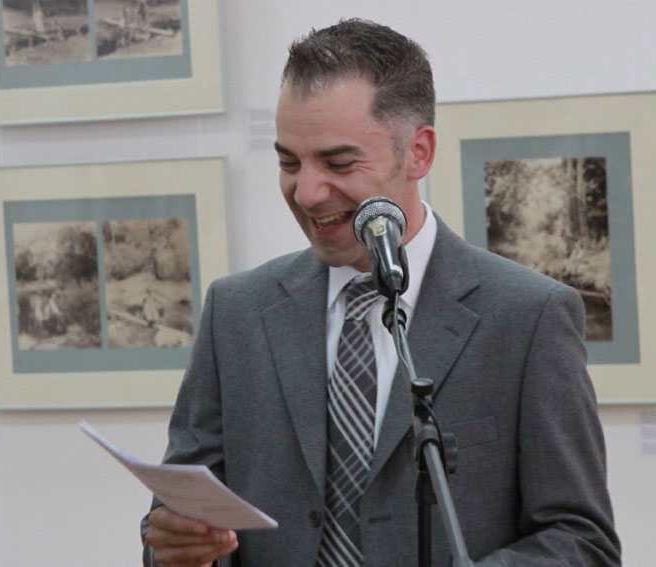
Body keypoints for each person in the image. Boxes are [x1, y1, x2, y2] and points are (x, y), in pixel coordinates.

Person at [141, 18, 621, 567]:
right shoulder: (236, 312)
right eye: (288, 163)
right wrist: (178, 548)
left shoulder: (528, 315)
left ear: (418, 152)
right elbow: (175, 525)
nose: (307, 192)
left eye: (339, 163)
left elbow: (581, 542)